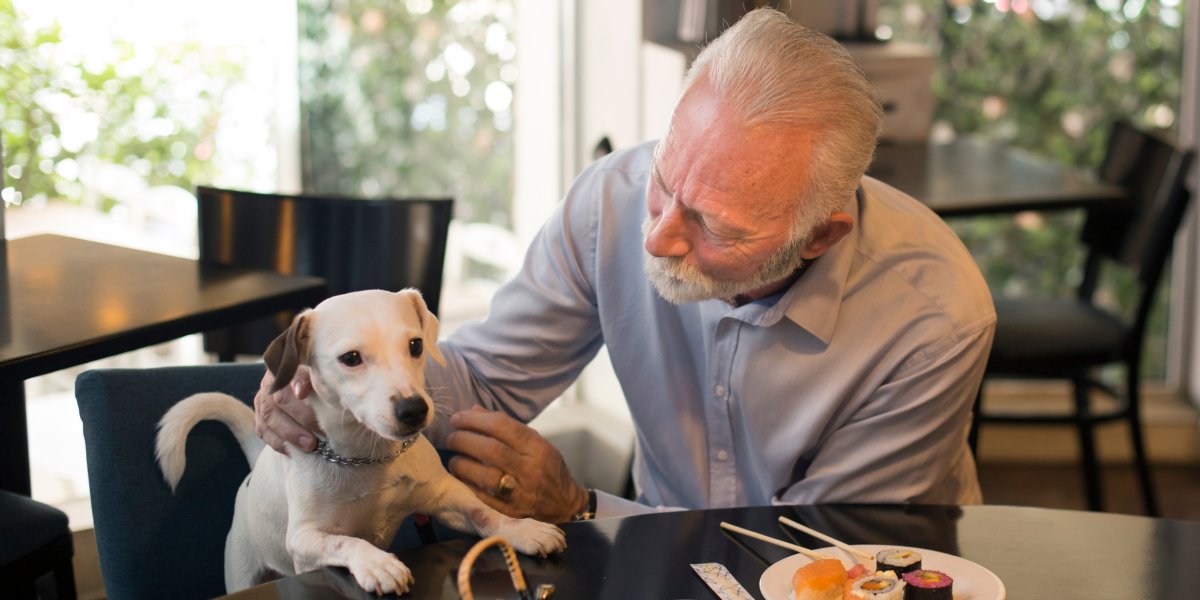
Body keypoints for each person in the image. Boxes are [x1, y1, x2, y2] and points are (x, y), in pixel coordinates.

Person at [254, 8, 995, 524]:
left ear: (819, 238)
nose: (658, 238)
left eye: (711, 224)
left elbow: (814, 557)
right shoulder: (610, 201)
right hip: (654, 551)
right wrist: (331, 385)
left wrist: (581, 511)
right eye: (666, 183)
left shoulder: (933, 318)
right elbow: (482, 385)